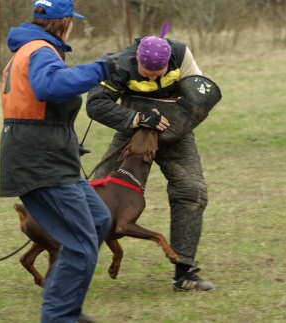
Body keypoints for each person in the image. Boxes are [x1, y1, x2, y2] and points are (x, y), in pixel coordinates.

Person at [0, 0, 119, 322]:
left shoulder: (32, 48)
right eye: (72, 21)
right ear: (63, 22)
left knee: (97, 220)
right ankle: (59, 316)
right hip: (38, 159)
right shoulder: (39, 50)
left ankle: (65, 308)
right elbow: (48, 86)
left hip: (49, 153)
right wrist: (101, 69)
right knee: (80, 241)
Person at [86, 23, 215, 292]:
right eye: (148, 74)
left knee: (192, 190)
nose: (155, 79)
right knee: (97, 194)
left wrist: (176, 125)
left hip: (175, 131)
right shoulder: (121, 64)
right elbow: (95, 104)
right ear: (137, 61)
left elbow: (199, 97)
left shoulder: (181, 55)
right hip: (134, 130)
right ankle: (75, 264)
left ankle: (185, 272)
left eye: (160, 74)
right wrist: (137, 118)